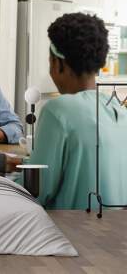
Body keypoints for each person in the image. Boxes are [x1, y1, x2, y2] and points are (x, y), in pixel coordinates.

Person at [28, 13, 127, 209]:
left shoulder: (58, 110)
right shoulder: (117, 109)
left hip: (70, 234)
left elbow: (36, 192)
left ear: (59, 64)